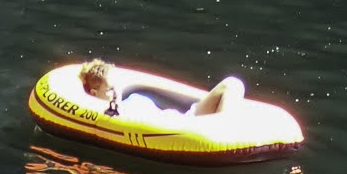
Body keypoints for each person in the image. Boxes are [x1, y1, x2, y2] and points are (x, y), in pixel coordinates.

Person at [78, 60, 244, 120]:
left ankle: (227, 124)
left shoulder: (133, 98)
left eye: (117, 88)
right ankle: (225, 127)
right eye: (110, 90)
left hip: (187, 120)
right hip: (184, 133)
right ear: (95, 94)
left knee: (232, 84)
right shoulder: (111, 114)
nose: (116, 94)